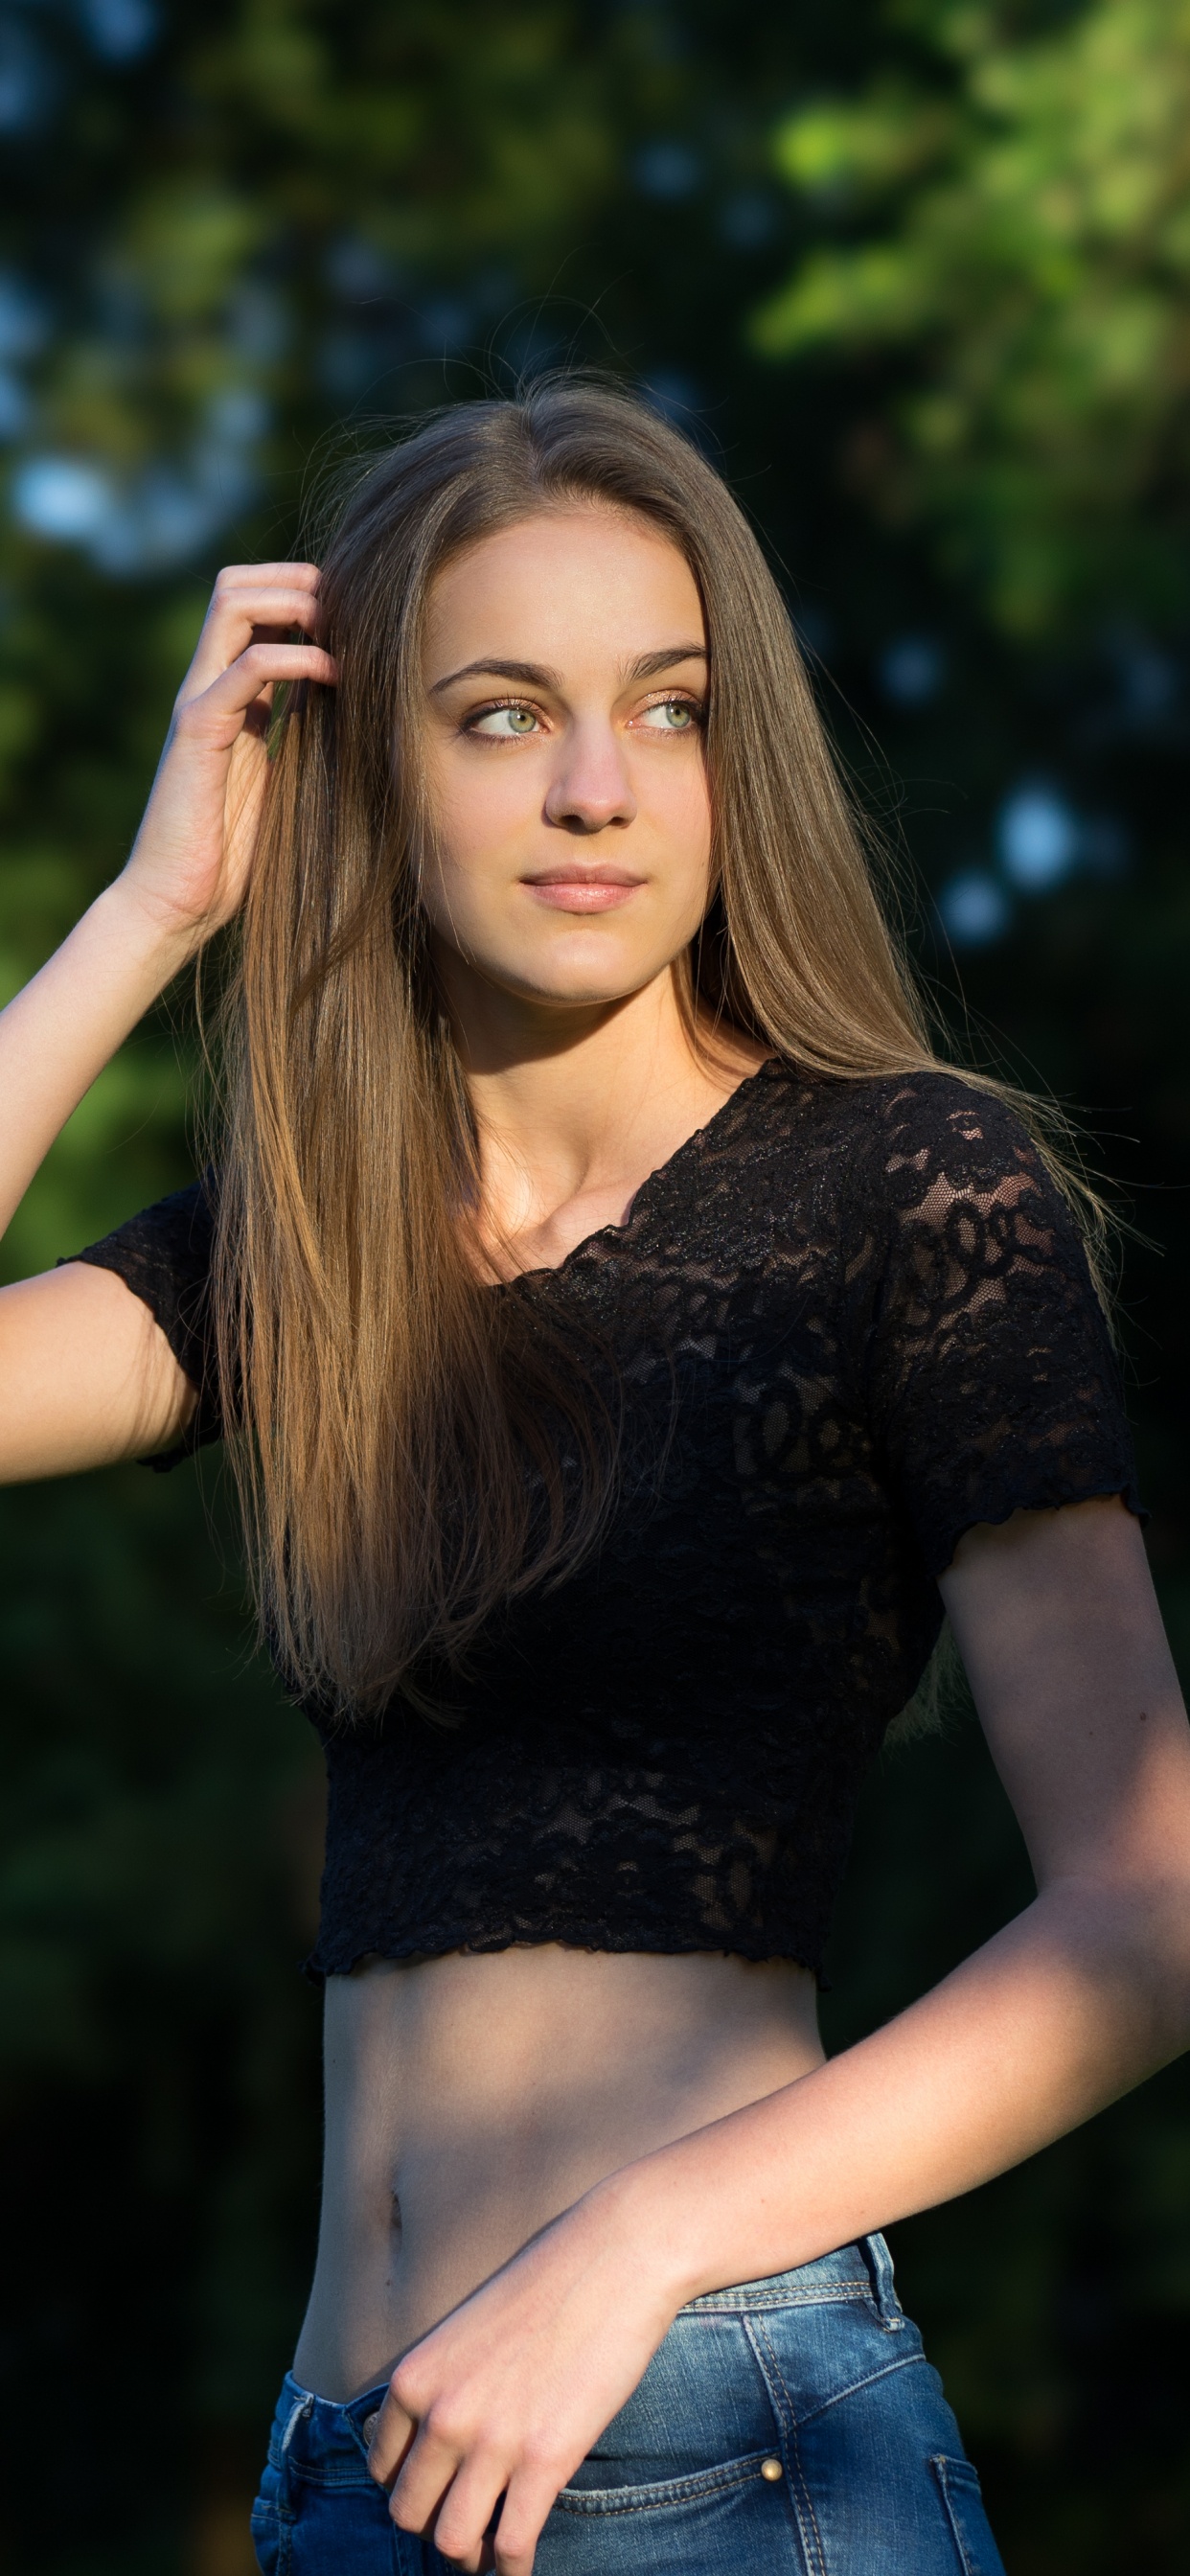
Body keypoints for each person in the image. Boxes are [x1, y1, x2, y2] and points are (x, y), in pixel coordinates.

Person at [2, 379, 1188, 2576]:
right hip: (350, 2472)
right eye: (498, 715)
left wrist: (633, 2248)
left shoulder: (906, 1185)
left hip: (709, 2438)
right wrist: (154, 908)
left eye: (669, 709)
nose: (594, 788)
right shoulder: (320, 1255)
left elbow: (1156, 1911)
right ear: (370, 771)